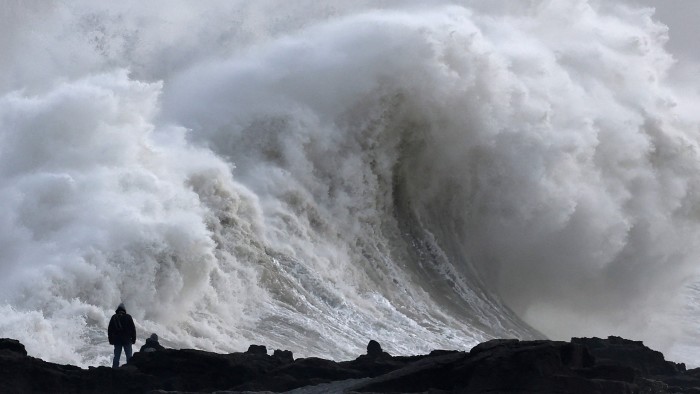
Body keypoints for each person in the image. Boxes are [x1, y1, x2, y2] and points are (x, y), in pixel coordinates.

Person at [107, 302, 136, 368]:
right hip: (127, 340)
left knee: (116, 357)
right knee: (129, 357)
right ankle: (130, 370)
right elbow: (133, 329)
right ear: (124, 310)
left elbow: (110, 330)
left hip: (117, 340)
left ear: (117, 310)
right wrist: (133, 339)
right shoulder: (128, 317)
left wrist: (110, 340)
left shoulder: (114, 317)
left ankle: (114, 370)